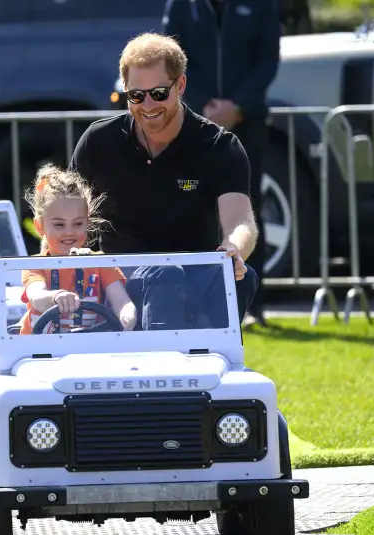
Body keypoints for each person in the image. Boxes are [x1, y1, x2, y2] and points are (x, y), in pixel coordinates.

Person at [69, 32, 259, 329]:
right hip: (118, 281)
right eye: (136, 96)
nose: (147, 105)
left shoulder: (219, 146)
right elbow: (65, 211)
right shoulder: (98, 141)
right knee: (164, 275)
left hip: (193, 274)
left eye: (158, 93)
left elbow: (241, 221)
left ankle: (217, 362)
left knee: (242, 277)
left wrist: (233, 249)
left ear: (180, 85)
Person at [162, 0, 281, 327]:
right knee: (192, 197)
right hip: (195, 124)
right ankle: (197, 302)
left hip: (248, 125)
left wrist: (238, 106)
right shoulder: (182, 6)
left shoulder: (261, 7)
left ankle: (251, 304)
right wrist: (205, 109)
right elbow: (172, 61)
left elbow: (267, 61)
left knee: (247, 209)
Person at [18, 165, 136, 335]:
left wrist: (127, 316)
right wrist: (55, 297)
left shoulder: (100, 263)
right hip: (38, 353)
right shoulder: (35, 265)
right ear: (39, 226)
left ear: (87, 223)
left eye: (78, 223)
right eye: (59, 224)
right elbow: (37, 297)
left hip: (87, 349)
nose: (69, 231)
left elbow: (122, 302)